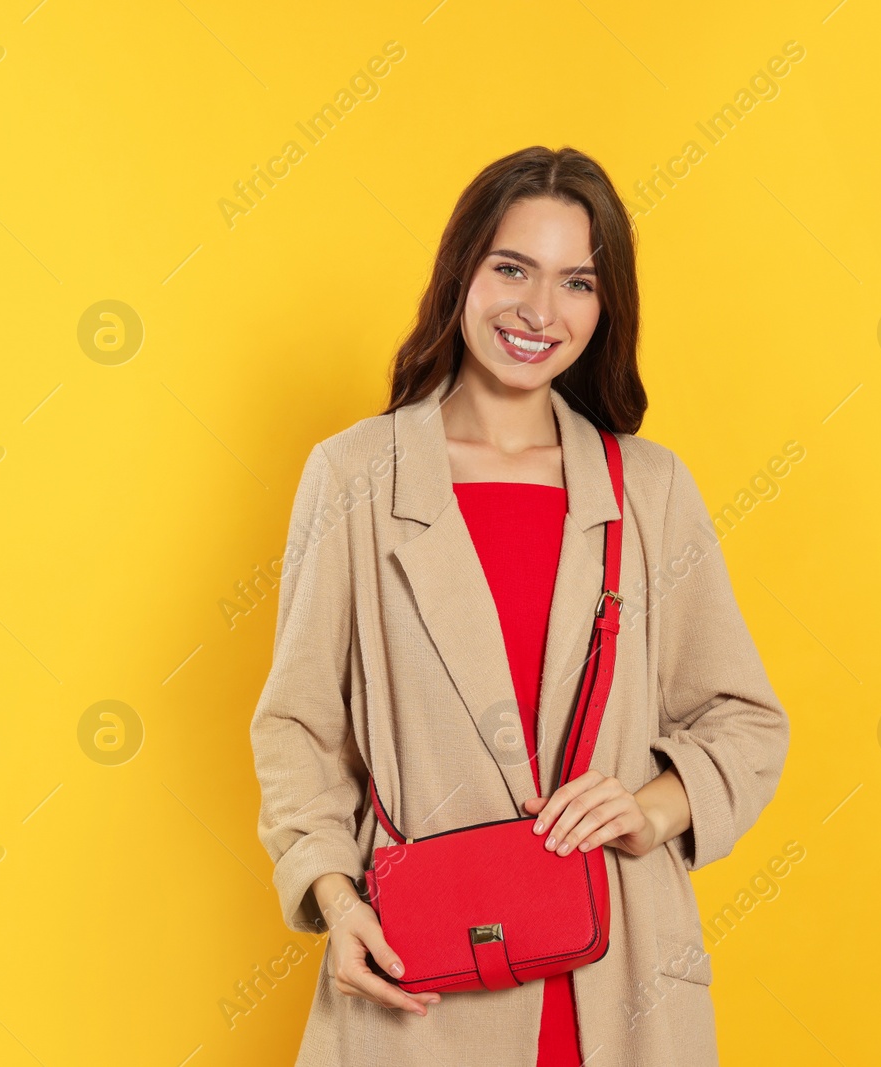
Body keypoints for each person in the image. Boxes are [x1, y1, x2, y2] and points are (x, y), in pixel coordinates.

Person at [250, 145, 790, 1066]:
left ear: (605, 304)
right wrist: (337, 902)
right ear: (461, 271)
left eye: (577, 281)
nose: (541, 312)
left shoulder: (649, 488)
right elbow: (299, 725)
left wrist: (652, 808)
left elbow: (743, 719)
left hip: (619, 978)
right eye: (512, 269)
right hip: (417, 977)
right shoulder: (353, 475)